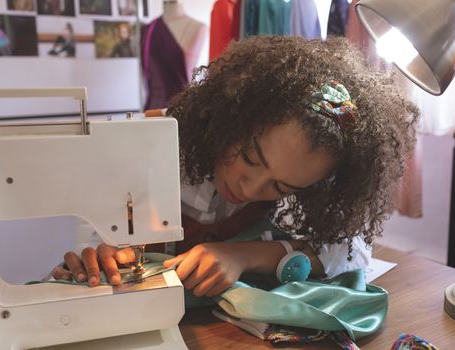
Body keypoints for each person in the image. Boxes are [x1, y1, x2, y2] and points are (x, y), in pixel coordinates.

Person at [53, 36, 419, 298]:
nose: (249, 189)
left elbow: (353, 252)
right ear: (231, 117)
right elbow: (95, 236)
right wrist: (99, 253)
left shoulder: (306, 174)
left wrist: (243, 256)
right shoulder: (152, 139)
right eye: (249, 158)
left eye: (280, 187)